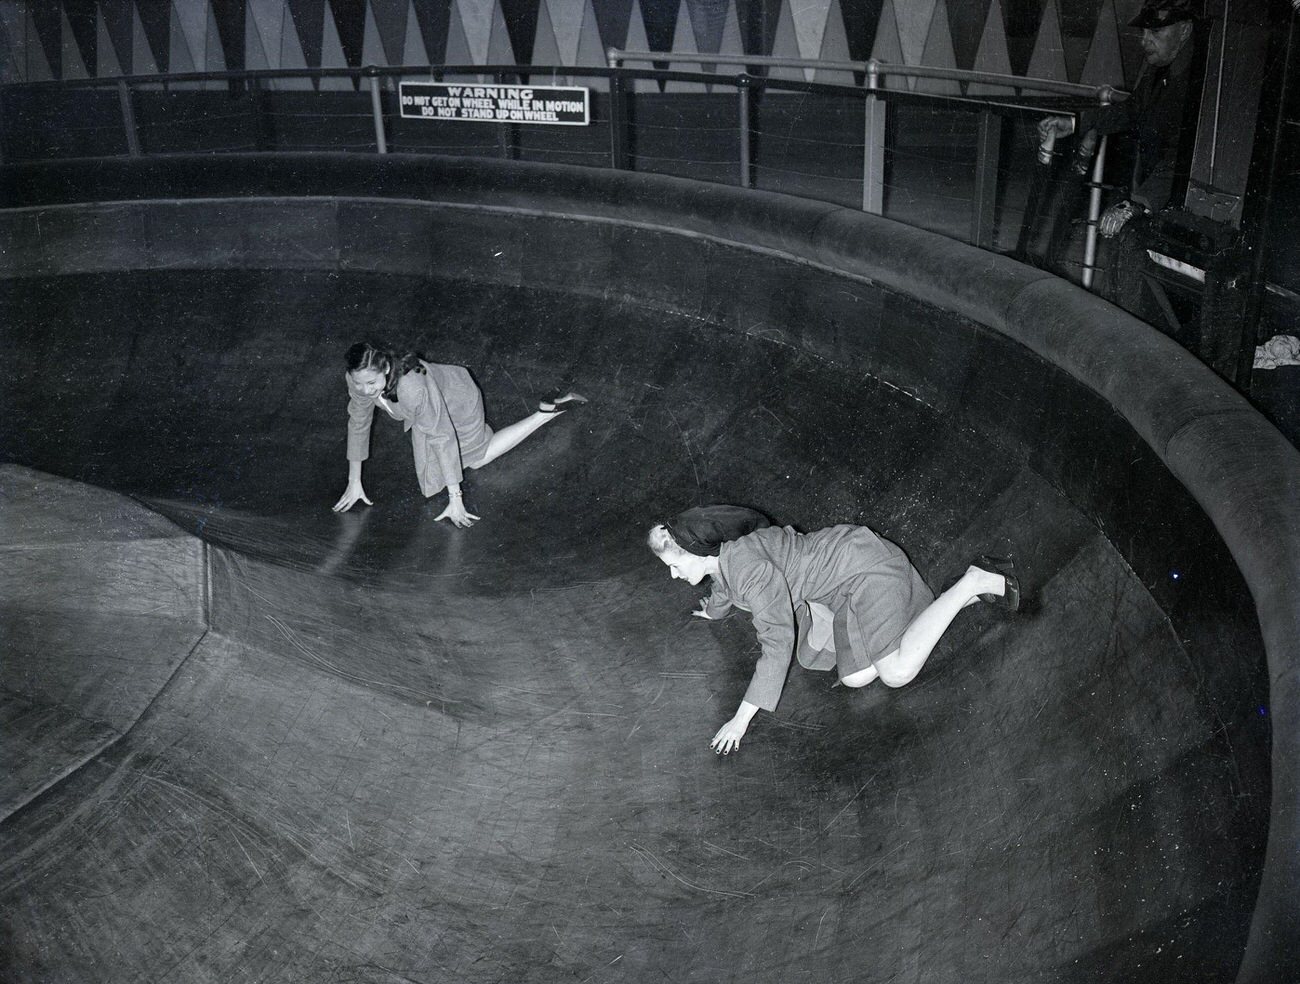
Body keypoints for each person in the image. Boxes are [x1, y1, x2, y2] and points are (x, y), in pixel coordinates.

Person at [648, 506, 1020, 755]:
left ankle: (973, 581)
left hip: (866, 568)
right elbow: (722, 584)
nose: (673, 575)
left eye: (674, 565)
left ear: (696, 552)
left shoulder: (748, 570)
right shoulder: (723, 555)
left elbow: (776, 645)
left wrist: (740, 721)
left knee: (896, 672)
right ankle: (956, 598)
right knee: (858, 676)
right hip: (843, 589)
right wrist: (714, 612)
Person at [334, 342, 585, 527]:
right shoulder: (358, 378)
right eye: (359, 384)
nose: (365, 390)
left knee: (476, 459)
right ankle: (539, 414)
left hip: (458, 400)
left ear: (386, 368)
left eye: (371, 384)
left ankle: (545, 414)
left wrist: (456, 499)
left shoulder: (412, 388)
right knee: (435, 473)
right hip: (427, 406)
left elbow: (442, 437)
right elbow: (358, 421)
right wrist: (354, 481)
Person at [1037, 0, 1200, 241]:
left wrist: (1139, 203)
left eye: (1155, 31)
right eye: (1143, 31)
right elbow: (1132, 110)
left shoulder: (1196, 80)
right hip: (1145, 196)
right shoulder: (1162, 66)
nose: (1144, 40)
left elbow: (1182, 156)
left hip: (1174, 207)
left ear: (1185, 30)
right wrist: (1074, 124)